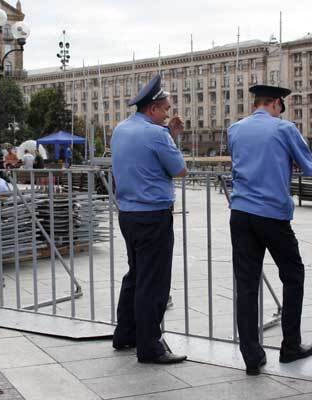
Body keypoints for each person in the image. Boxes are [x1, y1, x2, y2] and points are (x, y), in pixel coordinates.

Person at [227, 84, 312, 376]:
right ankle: (290, 345)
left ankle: (252, 356)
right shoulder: (285, 129)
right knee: (293, 274)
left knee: (247, 283)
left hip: (240, 213)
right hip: (272, 214)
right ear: (277, 103)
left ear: (257, 104)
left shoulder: (235, 129)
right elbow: (310, 169)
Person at [111, 74, 188, 364]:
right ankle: (150, 346)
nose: (168, 113)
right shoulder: (156, 134)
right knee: (153, 282)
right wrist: (171, 137)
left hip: (128, 215)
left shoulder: (120, 129)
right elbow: (179, 170)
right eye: (165, 108)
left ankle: (125, 334)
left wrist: (169, 134)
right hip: (153, 215)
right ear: (153, 109)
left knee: (135, 275)